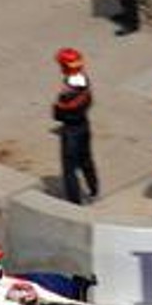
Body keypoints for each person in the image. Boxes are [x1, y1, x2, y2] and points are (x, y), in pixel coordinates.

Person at [51, 48, 99, 205]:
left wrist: (58, 105)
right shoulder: (84, 81)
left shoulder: (67, 93)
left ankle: (74, 201)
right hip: (84, 126)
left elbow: (58, 114)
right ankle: (93, 189)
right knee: (86, 160)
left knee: (69, 168)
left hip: (71, 131)